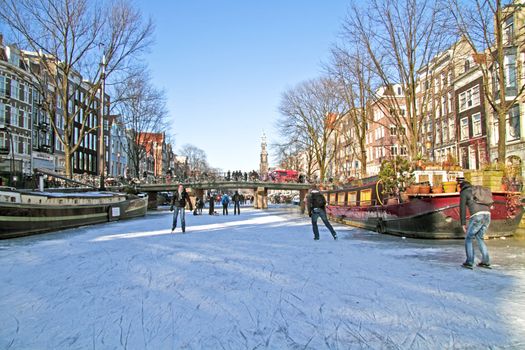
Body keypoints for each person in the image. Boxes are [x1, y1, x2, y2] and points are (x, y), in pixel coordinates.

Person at [458, 178, 491, 269]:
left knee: (468, 238)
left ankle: (469, 262)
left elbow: (462, 208)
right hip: (487, 215)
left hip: (477, 216)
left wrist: (463, 223)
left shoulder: (464, 192)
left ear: (461, 187)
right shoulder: (477, 191)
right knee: (479, 237)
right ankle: (486, 261)